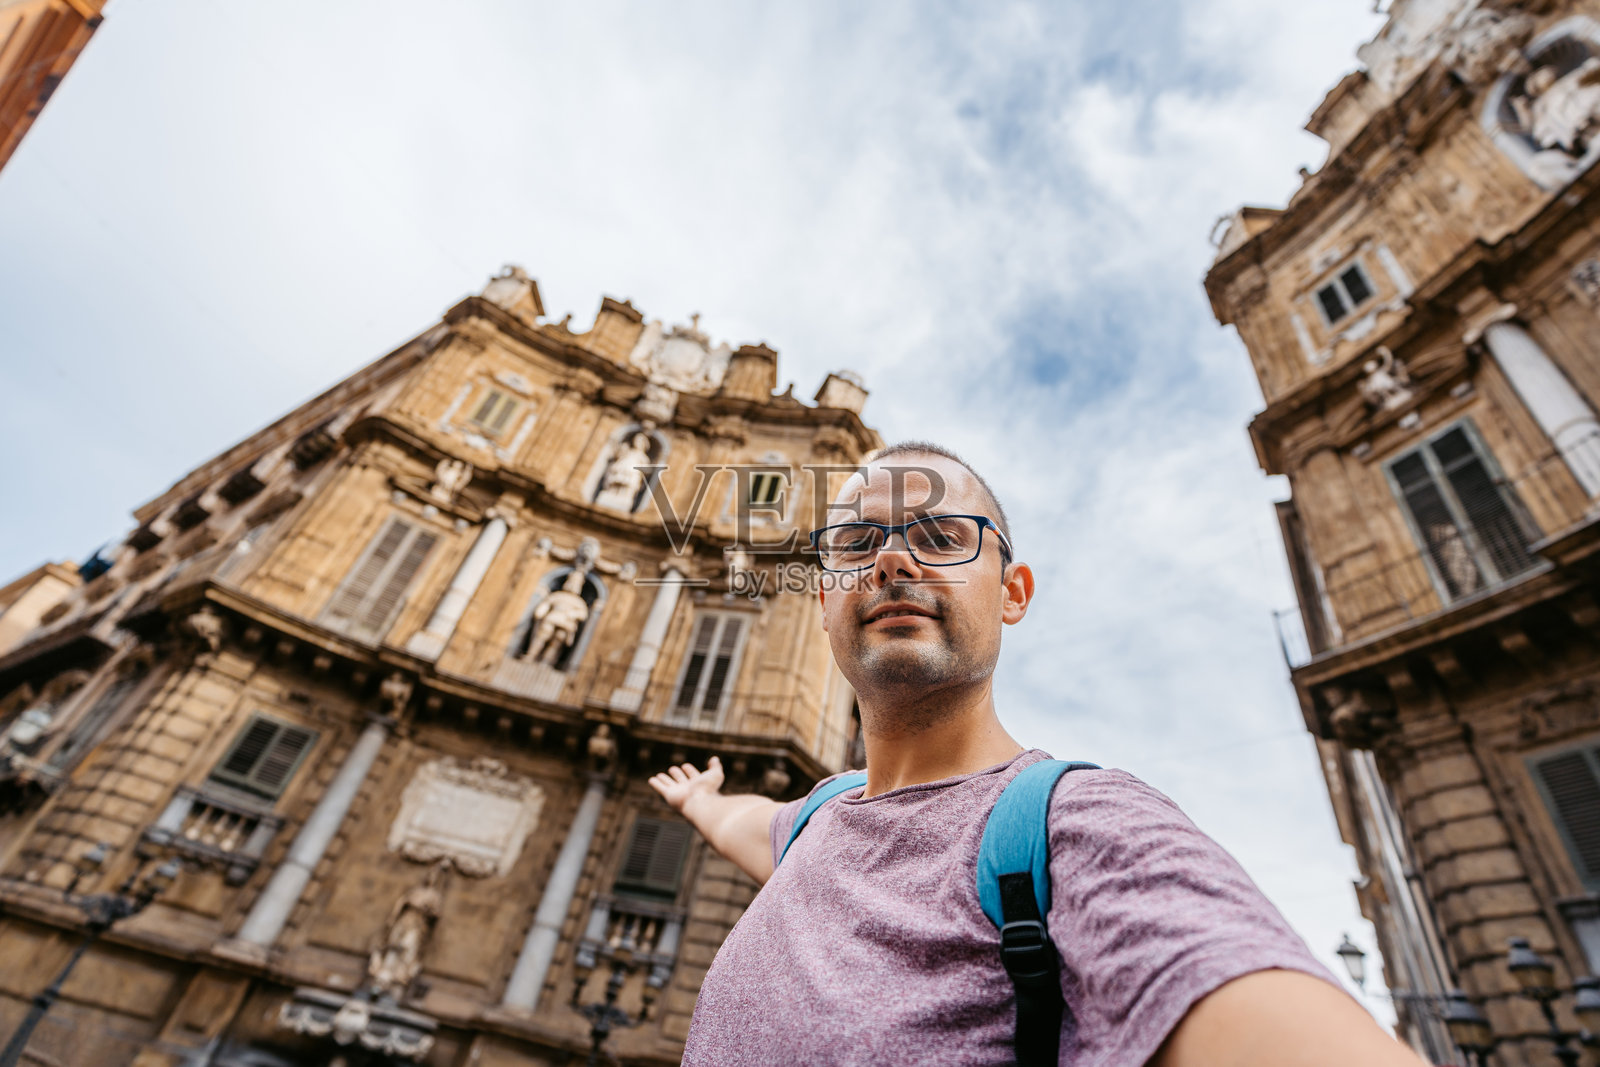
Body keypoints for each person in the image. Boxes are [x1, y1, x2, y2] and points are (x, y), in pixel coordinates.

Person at [649, 442, 1425, 1066]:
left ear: (1013, 592)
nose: (891, 561)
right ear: (825, 602)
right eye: (857, 542)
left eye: (940, 537)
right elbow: (749, 824)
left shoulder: (1078, 828)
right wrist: (701, 801)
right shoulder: (815, 818)